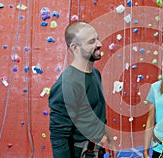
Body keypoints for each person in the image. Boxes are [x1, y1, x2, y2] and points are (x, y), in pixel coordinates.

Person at [49, 21, 116, 158]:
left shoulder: (95, 73)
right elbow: (58, 136)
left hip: (96, 150)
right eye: (91, 42)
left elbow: (97, 114)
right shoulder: (67, 84)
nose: (99, 44)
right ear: (75, 48)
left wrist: (109, 140)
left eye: (97, 38)